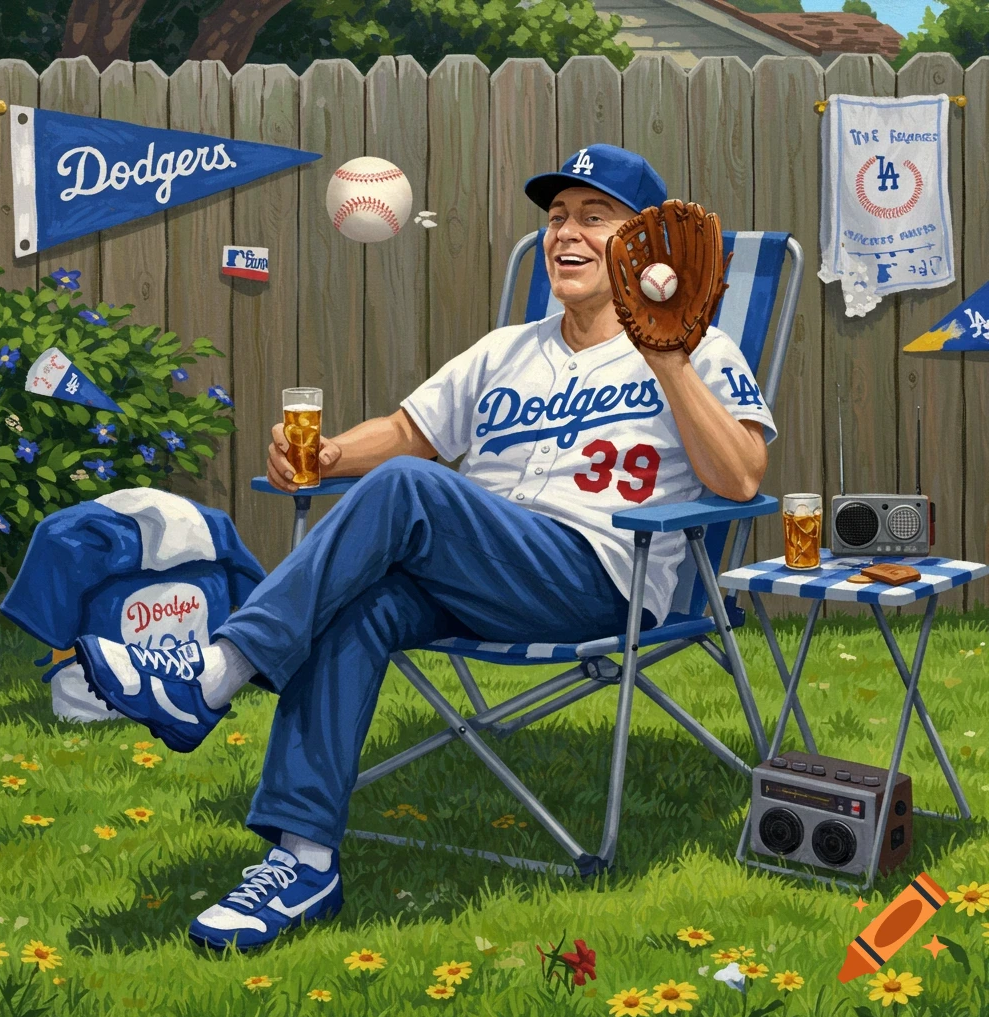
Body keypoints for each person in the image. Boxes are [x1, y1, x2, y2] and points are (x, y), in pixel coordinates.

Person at [73, 144, 777, 952]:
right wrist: (332, 454)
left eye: (594, 216)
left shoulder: (699, 349)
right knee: (357, 603)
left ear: (645, 244)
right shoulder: (504, 349)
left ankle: (211, 676)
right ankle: (302, 861)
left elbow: (741, 477)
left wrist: (668, 362)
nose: (565, 234)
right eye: (555, 218)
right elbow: (412, 433)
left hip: (596, 575)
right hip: (475, 565)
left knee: (416, 488)